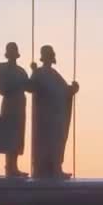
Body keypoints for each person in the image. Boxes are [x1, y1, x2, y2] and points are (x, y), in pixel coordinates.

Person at [27, 45, 79, 178]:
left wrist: (72, 89)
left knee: (57, 141)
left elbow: (64, 90)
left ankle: (56, 168)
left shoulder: (54, 74)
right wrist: (33, 73)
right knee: (46, 142)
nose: (50, 57)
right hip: (45, 116)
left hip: (56, 115)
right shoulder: (39, 72)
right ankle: (46, 168)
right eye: (48, 54)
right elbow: (31, 87)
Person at [0, 42, 30, 177]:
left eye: (14, 50)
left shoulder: (21, 71)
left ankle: (14, 166)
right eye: (10, 51)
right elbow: (2, 89)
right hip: (9, 104)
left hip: (20, 105)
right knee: (9, 135)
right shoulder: (2, 69)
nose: (12, 53)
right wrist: (19, 84)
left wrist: (34, 72)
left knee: (17, 136)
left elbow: (29, 87)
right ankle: (9, 167)